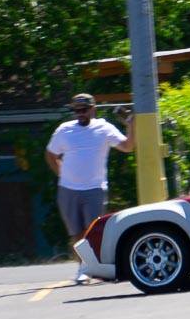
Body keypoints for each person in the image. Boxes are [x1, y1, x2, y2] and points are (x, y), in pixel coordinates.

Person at [45, 93, 134, 282]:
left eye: (84, 110)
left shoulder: (104, 128)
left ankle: (99, 268)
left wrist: (130, 124)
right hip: (68, 190)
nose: (80, 114)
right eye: (76, 110)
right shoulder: (64, 130)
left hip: (94, 189)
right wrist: (62, 174)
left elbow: (128, 147)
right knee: (75, 233)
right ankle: (83, 269)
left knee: (92, 232)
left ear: (93, 109)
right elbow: (50, 154)